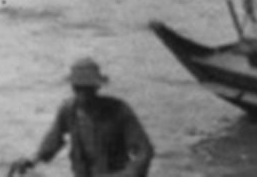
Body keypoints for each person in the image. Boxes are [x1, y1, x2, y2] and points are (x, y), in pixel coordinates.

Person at [11, 58, 154, 177]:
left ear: (97, 88)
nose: (83, 94)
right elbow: (53, 140)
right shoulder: (68, 110)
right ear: (73, 87)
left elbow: (144, 150)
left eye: (88, 89)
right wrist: (33, 159)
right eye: (79, 88)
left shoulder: (118, 110)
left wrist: (130, 173)